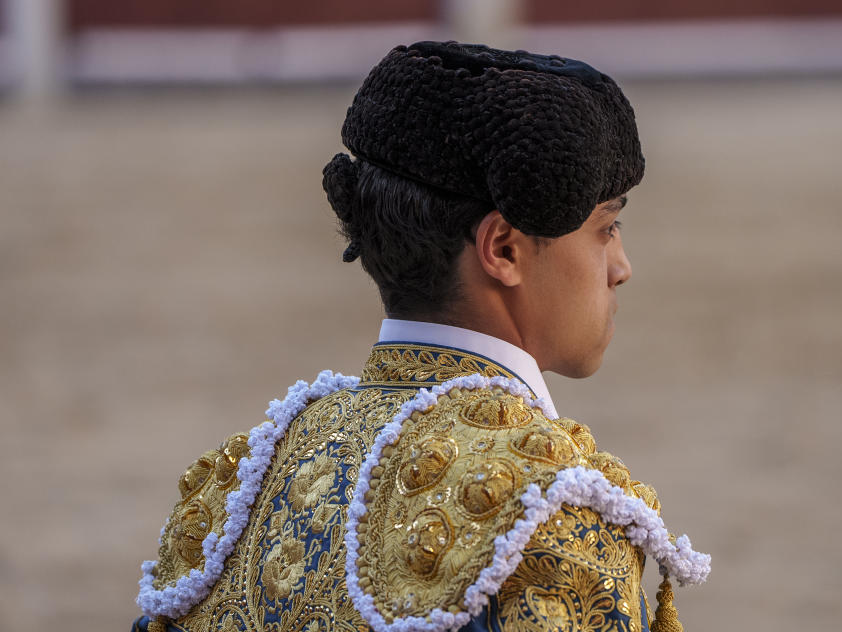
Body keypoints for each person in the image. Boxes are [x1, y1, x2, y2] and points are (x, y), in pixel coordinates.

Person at [132, 41, 710, 632]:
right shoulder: (553, 521)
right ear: (504, 249)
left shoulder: (237, 496)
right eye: (606, 228)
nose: (621, 265)